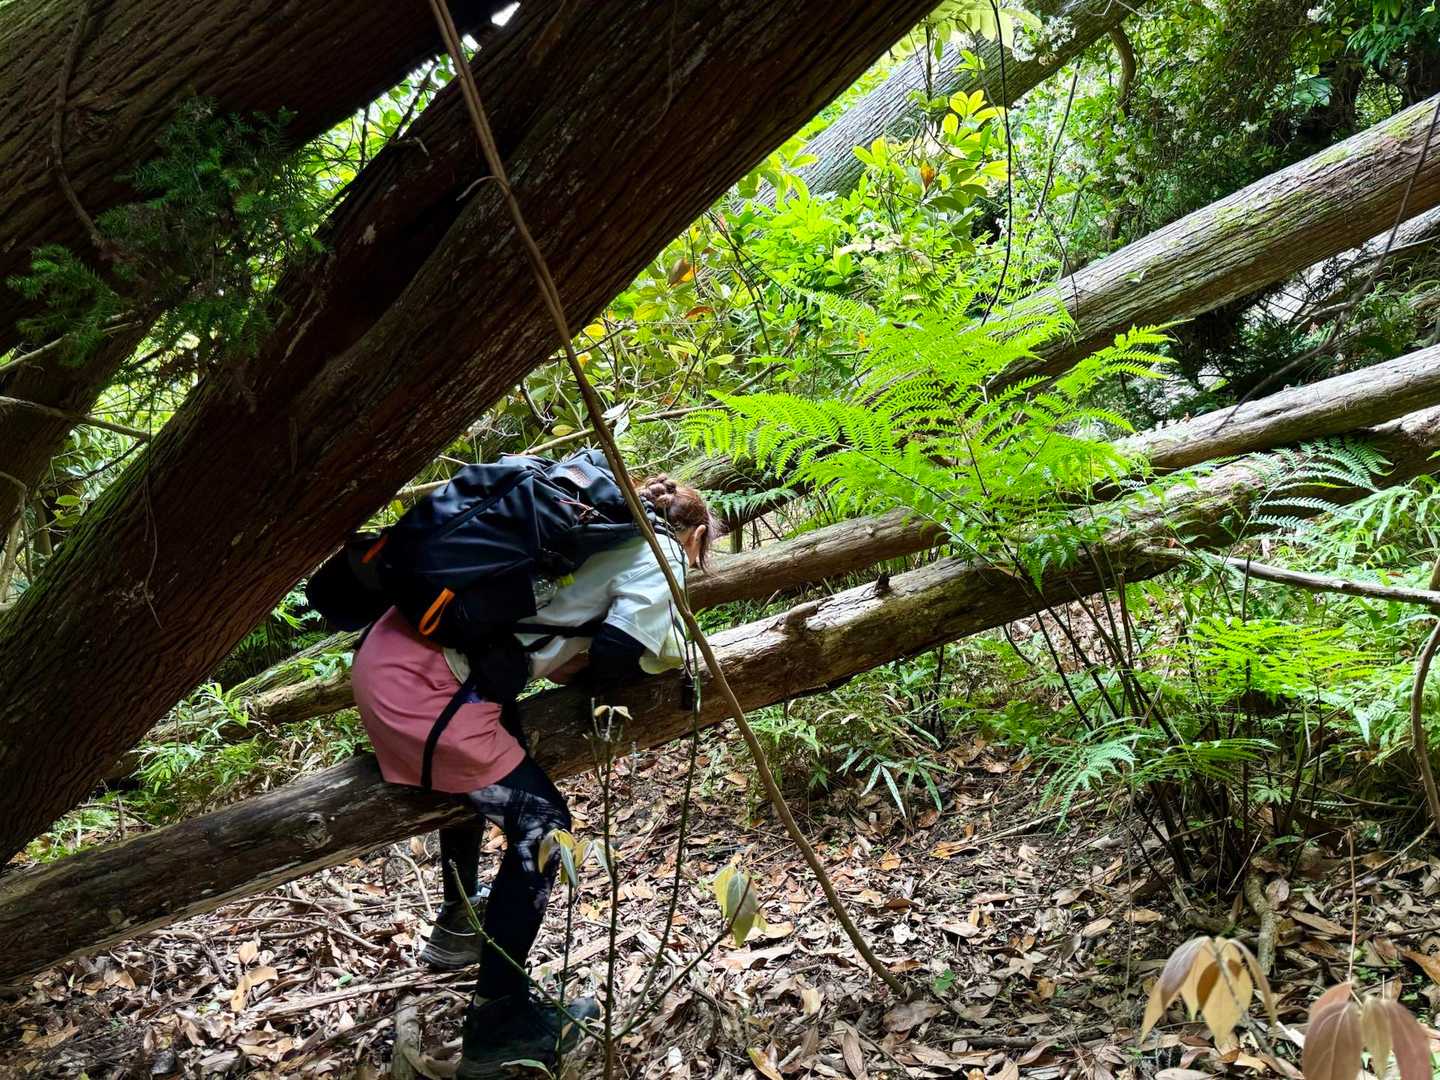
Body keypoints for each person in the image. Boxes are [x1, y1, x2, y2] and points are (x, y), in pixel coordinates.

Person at [348, 474, 716, 1078]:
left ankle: (460, 923)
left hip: (388, 654)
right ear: (696, 536)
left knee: (490, 780)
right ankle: (498, 1024)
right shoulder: (662, 551)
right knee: (544, 827)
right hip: (429, 693)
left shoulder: (587, 519)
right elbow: (619, 653)